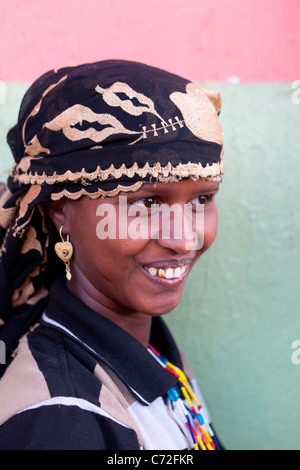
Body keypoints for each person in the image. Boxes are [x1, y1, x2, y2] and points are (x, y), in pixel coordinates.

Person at [0, 60, 224, 450]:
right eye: (148, 201)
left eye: (202, 198)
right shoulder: (61, 418)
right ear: (59, 208)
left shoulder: (153, 351)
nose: (185, 238)